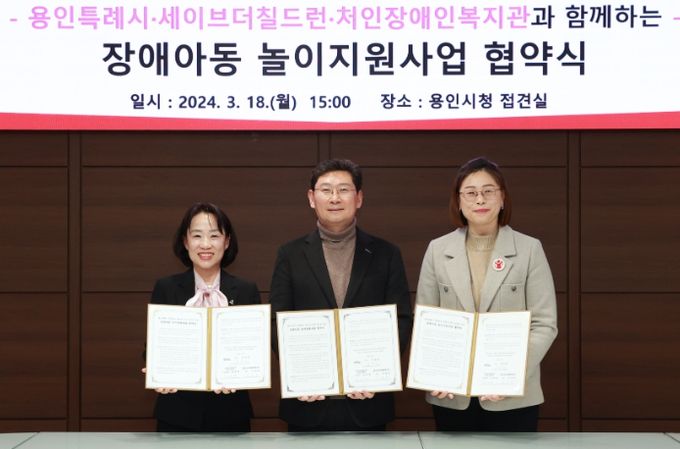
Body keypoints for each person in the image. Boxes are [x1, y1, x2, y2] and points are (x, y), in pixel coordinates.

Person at [269, 159, 413, 432]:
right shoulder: (290, 254)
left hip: (368, 401)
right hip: (307, 402)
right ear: (311, 198)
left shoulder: (386, 254)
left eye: (344, 189)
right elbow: (276, 321)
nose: (334, 198)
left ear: (359, 198)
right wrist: (300, 375)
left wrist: (380, 374)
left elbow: (401, 319)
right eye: (326, 190)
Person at [415, 157, 558, 432]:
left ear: (502, 198)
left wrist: (510, 375)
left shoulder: (529, 249)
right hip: (452, 395)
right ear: (458, 201)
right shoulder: (437, 250)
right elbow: (425, 321)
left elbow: (544, 324)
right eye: (470, 193)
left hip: (512, 397)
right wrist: (435, 371)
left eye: (488, 191)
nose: (480, 199)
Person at [147, 202, 260, 432]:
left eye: (214, 236)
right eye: (197, 235)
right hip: (177, 413)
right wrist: (156, 369)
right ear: (185, 241)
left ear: (226, 242)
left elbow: (255, 351)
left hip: (231, 414)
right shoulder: (166, 288)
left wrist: (240, 375)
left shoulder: (246, 290)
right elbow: (152, 348)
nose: (205, 244)